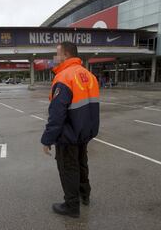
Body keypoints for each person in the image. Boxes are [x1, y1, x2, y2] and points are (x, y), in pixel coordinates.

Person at [41, 42, 100, 218]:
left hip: (68, 134)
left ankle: (71, 205)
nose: (54, 58)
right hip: (85, 132)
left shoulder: (63, 77)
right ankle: (85, 195)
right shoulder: (90, 76)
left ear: (65, 55)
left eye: (56, 54)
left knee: (68, 168)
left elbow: (57, 114)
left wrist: (47, 139)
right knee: (82, 164)